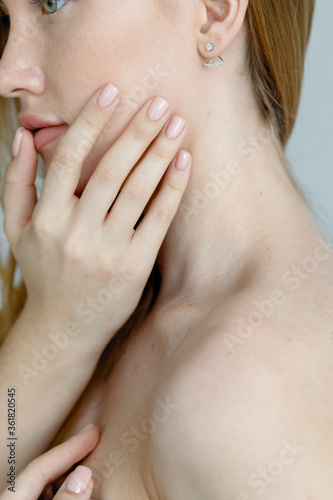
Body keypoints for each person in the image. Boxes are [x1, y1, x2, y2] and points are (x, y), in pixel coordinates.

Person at [1, 0, 333, 498]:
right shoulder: (76, 296)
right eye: (3, 22)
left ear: (214, 14)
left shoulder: (247, 388)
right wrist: (55, 329)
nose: (8, 74)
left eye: (52, 3)